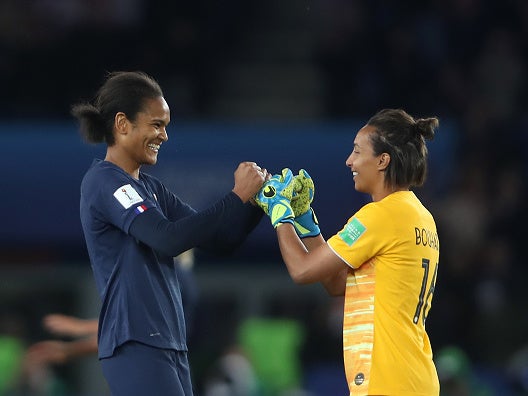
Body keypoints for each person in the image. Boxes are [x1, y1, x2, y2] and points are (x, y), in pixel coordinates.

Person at [72, 71, 267, 396]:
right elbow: (169, 238)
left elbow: (221, 241)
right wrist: (236, 196)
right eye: (156, 124)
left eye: (165, 126)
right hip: (134, 341)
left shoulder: (150, 188)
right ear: (122, 124)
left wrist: (259, 203)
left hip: (167, 342)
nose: (164, 136)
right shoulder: (104, 182)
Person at [256, 108, 441, 395]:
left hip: (389, 381)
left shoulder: (381, 216)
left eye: (357, 152)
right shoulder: (419, 216)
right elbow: (338, 283)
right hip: (414, 377)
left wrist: (280, 214)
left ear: (383, 160)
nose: (349, 161)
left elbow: (302, 270)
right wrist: (307, 223)